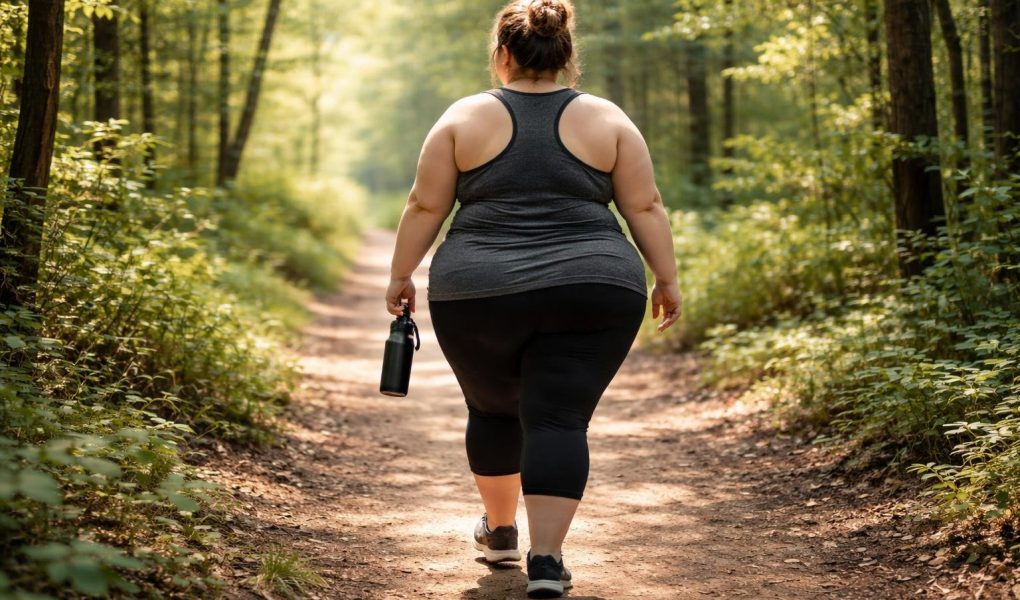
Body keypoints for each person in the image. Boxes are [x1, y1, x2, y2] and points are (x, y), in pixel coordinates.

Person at [384, 0, 681, 596]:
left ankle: (500, 534)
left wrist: (400, 274)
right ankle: (547, 562)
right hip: (595, 285)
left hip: (478, 290)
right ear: (567, 57)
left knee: (494, 410)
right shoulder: (607, 119)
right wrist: (667, 277)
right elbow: (643, 205)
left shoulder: (464, 118)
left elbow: (424, 204)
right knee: (558, 417)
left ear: (503, 55)